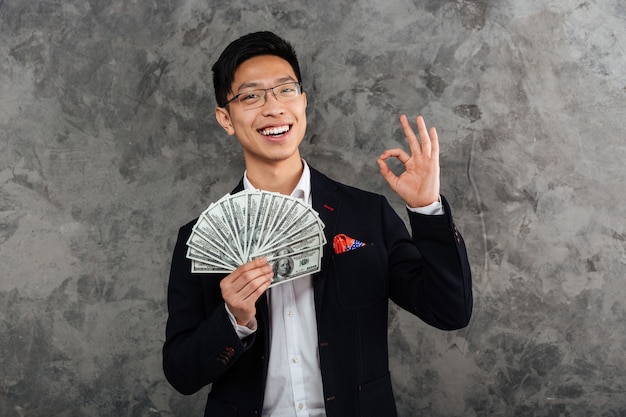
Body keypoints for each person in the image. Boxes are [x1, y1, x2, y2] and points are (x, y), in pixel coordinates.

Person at [163, 31, 473, 417]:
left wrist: (427, 209)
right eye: (251, 96)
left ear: (303, 101)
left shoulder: (367, 214)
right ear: (226, 119)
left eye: (285, 90)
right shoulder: (199, 238)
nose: (274, 108)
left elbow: (450, 311)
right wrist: (234, 320)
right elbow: (181, 372)